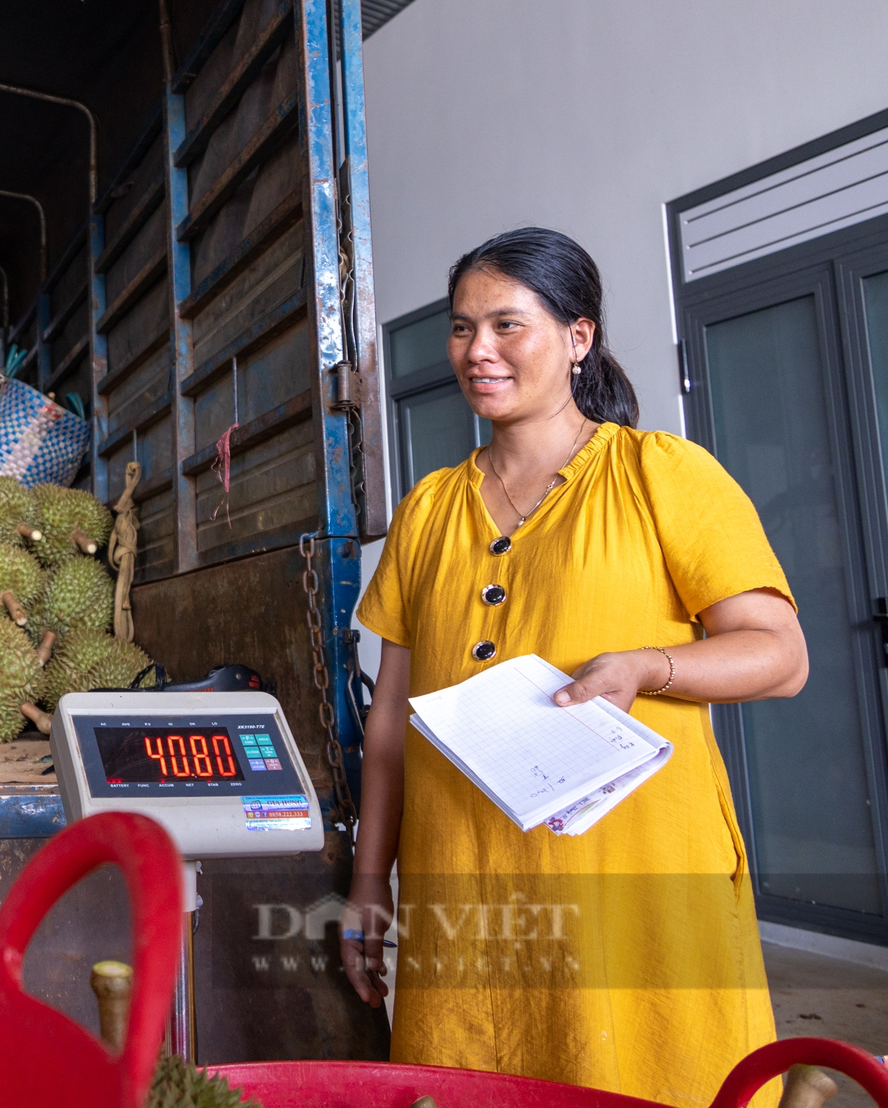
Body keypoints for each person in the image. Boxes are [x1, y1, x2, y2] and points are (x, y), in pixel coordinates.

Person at [340, 228, 807, 1104]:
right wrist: (369, 883)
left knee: (638, 1072)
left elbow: (781, 655)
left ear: (579, 338)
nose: (478, 350)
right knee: (471, 1076)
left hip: (628, 885)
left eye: (508, 325)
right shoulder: (429, 510)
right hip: (465, 888)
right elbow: (390, 720)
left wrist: (647, 666)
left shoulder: (660, 474)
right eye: (461, 328)